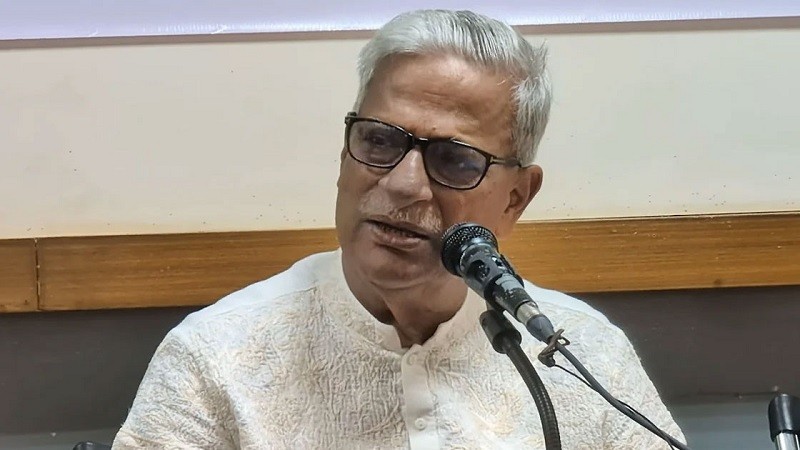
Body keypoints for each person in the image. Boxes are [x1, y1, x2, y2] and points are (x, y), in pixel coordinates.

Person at [112, 9, 684, 449]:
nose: (405, 184)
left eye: (454, 159)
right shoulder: (216, 358)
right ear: (345, 153)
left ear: (515, 198)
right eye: (380, 141)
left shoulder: (585, 354)